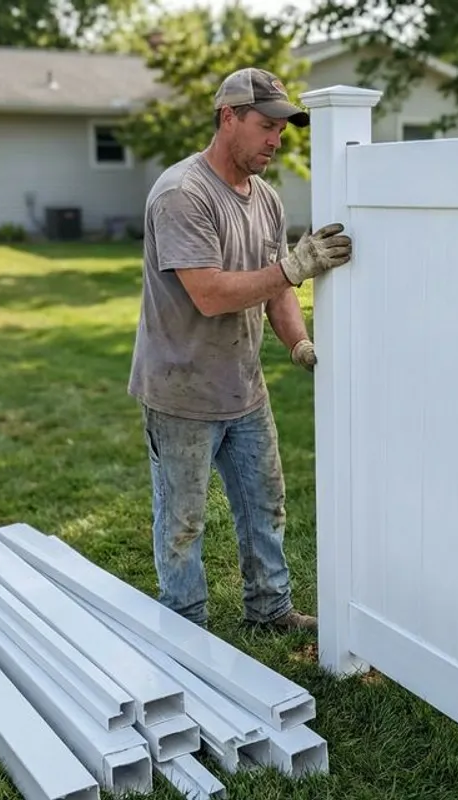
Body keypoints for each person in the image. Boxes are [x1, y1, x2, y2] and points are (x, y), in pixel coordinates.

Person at [127, 67, 352, 633]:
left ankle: (270, 610)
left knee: (266, 509)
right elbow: (208, 294)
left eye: (283, 128)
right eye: (266, 125)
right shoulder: (184, 194)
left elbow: (275, 288)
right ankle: (184, 625)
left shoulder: (268, 200)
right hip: (181, 392)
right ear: (229, 118)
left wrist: (299, 343)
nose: (276, 139)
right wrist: (294, 266)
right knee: (183, 521)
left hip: (244, 388)